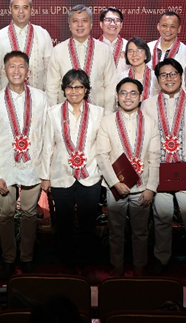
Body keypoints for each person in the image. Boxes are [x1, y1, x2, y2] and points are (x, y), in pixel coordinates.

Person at [142, 58, 186, 278]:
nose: (169, 78)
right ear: (158, 79)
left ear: (181, 76)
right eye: (163, 75)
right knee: (161, 219)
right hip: (159, 172)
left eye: (173, 73)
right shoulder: (147, 105)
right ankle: (161, 259)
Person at [0, 51, 49, 281]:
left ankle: (27, 258)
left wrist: (45, 172)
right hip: (6, 166)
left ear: (28, 71)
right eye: (11, 66)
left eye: (21, 66)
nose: (16, 71)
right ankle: (8, 259)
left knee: (30, 214)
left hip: (33, 165)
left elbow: (47, 135)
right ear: (4, 71)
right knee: (7, 214)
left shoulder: (40, 98)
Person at [41, 69, 105, 280]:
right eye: (69, 87)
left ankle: (87, 263)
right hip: (61, 175)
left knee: (88, 223)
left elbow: (102, 145)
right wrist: (45, 176)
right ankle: (68, 264)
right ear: (64, 89)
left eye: (79, 87)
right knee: (64, 222)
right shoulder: (53, 113)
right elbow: (47, 145)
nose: (74, 91)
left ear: (86, 90)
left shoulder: (99, 113)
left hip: (90, 174)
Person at [95, 77, 161, 277]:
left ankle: (140, 266)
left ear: (141, 97)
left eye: (133, 93)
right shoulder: (107, 122)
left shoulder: (150, 123)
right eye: (123, 92)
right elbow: (102, 156)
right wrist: (115, 183)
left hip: (142, 187)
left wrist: (151, 188)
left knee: (140, 232)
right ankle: (117, 266)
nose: (128, 97)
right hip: (115, 187)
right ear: (117, 96)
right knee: (115, 230)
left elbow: (155, 157)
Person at [45, 5, 117, 113]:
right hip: (66, 115)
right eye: (75, 21)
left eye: (84, 20)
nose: (80, 25)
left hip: (97, 113)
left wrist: (107, 114)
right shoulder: (58, 51)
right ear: (69, 25)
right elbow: (52, 87)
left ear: (91, 24)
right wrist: (54, 114)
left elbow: (111, 85)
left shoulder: (104, 50)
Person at [0, 0, 54, 95]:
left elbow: (49, 72)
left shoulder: (43, 34)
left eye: (25, 7)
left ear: (31, 9)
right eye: (16, 7)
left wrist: (46, 99)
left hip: (37, 99)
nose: (21, 11)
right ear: (10, 9)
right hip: (7, 100)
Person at [99, 7, 128, 73]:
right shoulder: (93, 47)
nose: (112, 24)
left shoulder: (128, 46)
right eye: (108, 20)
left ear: (121, 24)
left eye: (116, 20)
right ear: (101, 24)